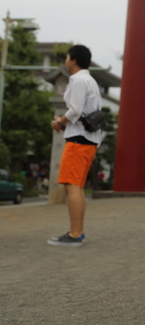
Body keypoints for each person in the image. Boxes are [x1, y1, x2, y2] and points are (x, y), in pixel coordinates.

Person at [47, 45, 104, 246]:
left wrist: (60, 122)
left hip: (79, 140)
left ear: (74, 60)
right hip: (88, 138)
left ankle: (75, 233)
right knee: (76, 186)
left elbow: (75, 110)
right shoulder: (90, 81)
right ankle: (77, 232)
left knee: (72, 185)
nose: (65, 60)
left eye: (67, 57)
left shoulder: (79, 80)